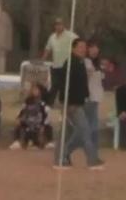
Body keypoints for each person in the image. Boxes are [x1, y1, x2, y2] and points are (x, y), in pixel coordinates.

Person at [53, 38, 103, 169]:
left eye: (84, 47)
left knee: (67, 132)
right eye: (80, 47)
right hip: (71, 104)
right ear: (73, 48)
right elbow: (64, 85)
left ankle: (60, 158)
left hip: (79, 102)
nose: (83, 49)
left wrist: (85, 97)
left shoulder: (80, 63)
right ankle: (92, 160)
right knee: (85, 130)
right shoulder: (70, 63)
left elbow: (82, 85)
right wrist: (66, 102)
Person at [42, 19, 76, 107]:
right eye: (56, 25)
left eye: (60, 24)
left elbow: (78, 43)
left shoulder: (70, 36)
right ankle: (49, 104)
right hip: (55, 66)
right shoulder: (52, 37)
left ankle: (65, 103)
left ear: (63, 25)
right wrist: (42, 60)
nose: (58, 26)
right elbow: (47, 49)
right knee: (54, 86)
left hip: (66, 66)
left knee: (65, 86)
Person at [10, 85, 49, 150]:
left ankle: (35, 144)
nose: (35, 92)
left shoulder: (42, 102)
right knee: (19, 125)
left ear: (40, 91)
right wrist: (18, 118)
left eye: (36, 90)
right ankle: (17, 142)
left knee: (34, 128)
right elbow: (23, 110)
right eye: (33, 90)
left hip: (37, 121)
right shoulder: (28, 101)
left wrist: (43, 124)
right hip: (28, 120)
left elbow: (45, 115)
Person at [85, 40, 105, 155]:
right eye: (92, 47)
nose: (95, 50)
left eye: (96, 48)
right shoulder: (86, 62)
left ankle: (93, 146)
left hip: (96, 96)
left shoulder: (98, 64)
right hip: (89, 96)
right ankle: (91, 146)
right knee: (91, 123)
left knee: (93, 122)